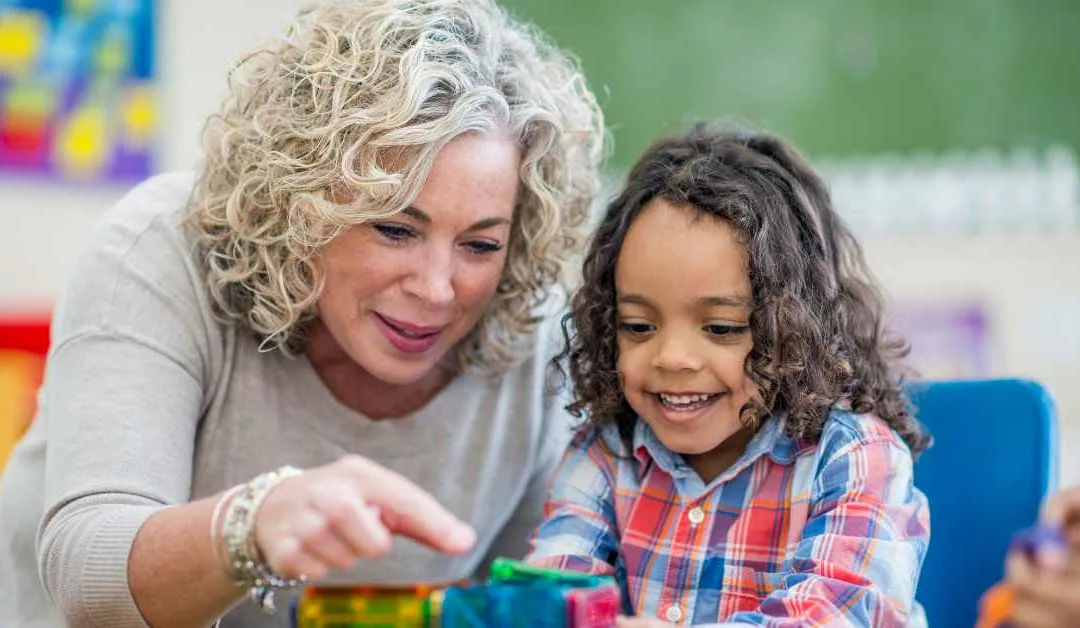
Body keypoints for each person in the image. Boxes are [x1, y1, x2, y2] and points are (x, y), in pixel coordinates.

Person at [0, 0, 605, 625]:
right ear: (303, 204)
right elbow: (88, 573)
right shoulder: (157, 250)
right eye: (395, 229)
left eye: (480, 245)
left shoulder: (530, 327)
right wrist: (252, 526)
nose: (437, 290)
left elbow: (526, 605)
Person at [526, 125, 931, 626]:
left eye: (721, 327)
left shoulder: (854, 458)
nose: (672, 357)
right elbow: (551, 598)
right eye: (638, 325)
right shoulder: (605, 454)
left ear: (795, 326)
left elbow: (834, 616)